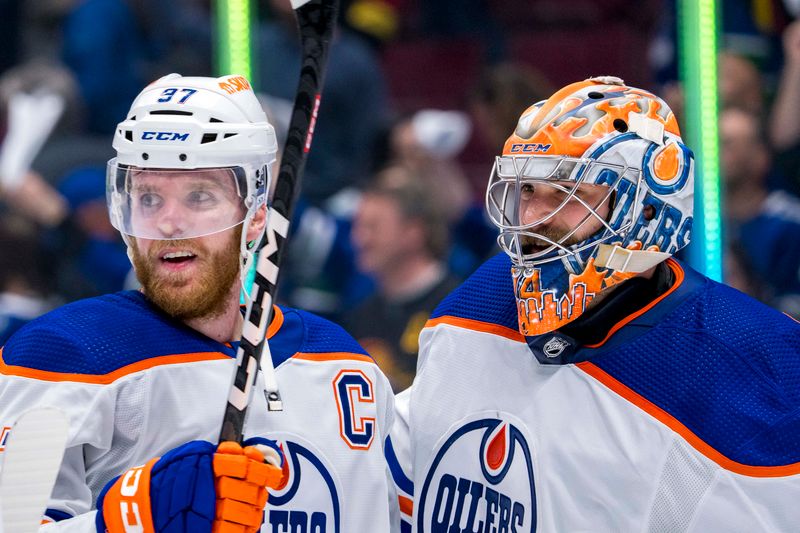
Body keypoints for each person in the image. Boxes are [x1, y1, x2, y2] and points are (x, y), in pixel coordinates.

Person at [387, 76, 800, 532]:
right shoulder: (483, 300)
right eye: (527, 190)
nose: (530, 220)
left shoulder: (757, 364)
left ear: (646, 210)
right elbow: (402, 471)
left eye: (567, 194)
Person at [0, 74, 397, 532]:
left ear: (255, 217)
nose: (169, 223)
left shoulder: (344, 365)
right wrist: (132, 518)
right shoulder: (61, 356)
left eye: (199, 196)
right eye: (149, 197)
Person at [344, 166, 461, 391]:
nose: (358, 239)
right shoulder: (362, 313)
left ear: (413, 232)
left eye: (373, 227)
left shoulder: (457, 309)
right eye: (358, 226)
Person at [720, 106, 800, 316]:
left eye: (726, 144)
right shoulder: (695, 223)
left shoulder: (790, 225)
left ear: (760, 156)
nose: (711, 154)